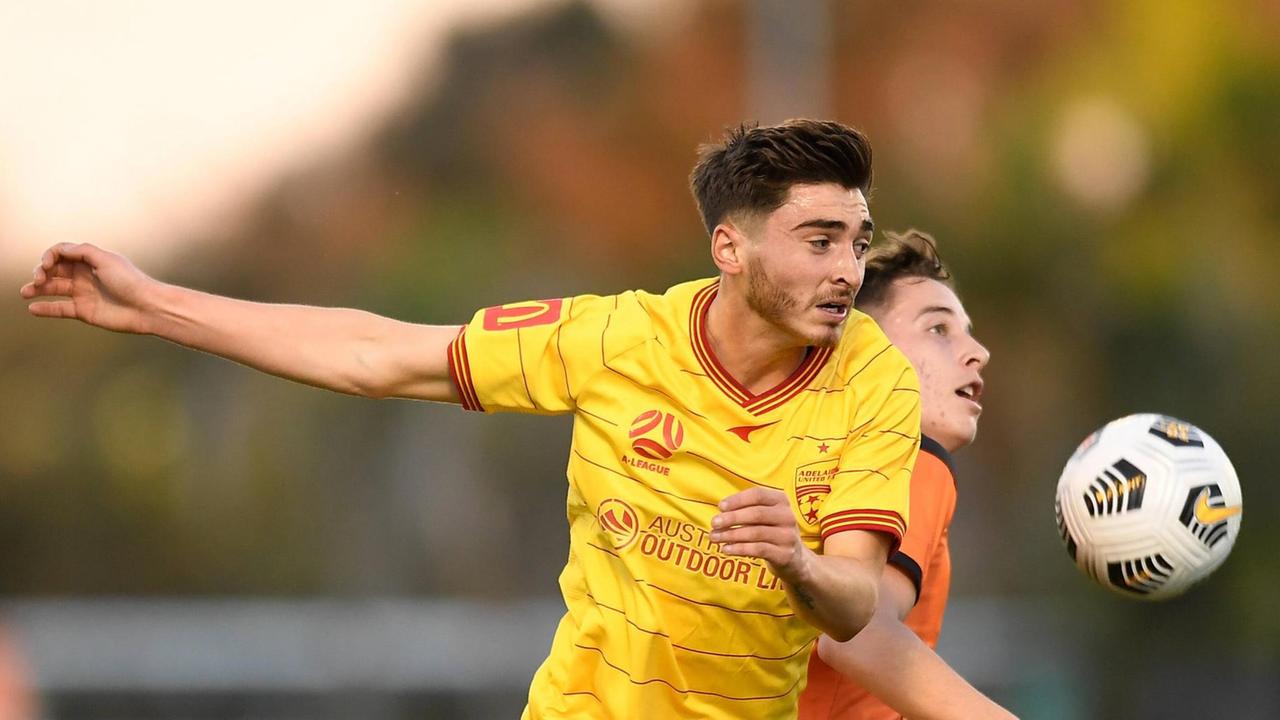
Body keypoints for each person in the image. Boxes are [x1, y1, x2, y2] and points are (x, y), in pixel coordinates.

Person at [21, 119, 921, 719]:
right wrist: (153, 306)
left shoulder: (875, 381)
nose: (849, 269)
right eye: (819, 241)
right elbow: (380, 353)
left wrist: (795, 559)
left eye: (855, 238)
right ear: (730, 246)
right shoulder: (615, 340)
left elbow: (853, 601)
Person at [798, 230, 1015, 719]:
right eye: (938, 329)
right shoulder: (913, 459)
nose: (977, 351)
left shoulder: (810, 463)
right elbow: (858, 634)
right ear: (863, 356)